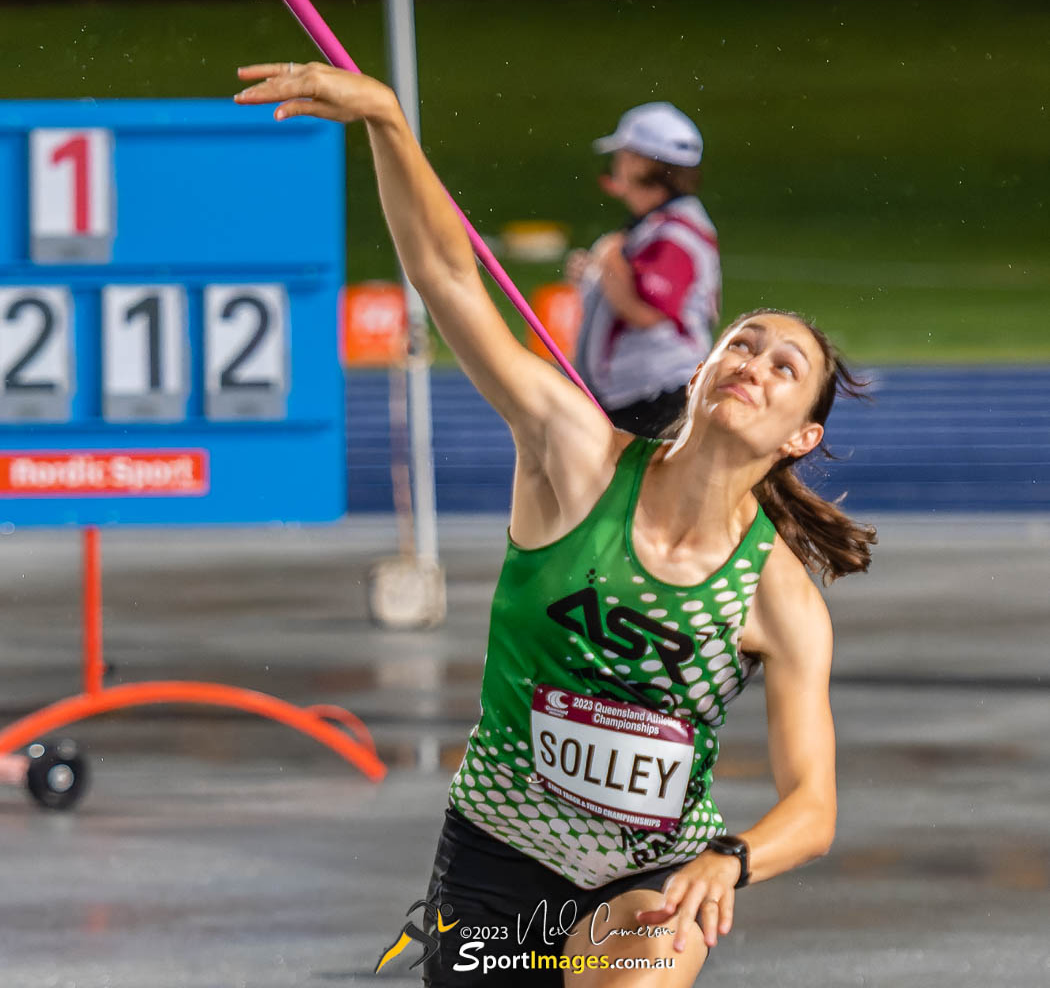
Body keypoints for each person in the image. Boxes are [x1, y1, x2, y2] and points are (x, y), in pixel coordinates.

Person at [234, 61, 877, 988]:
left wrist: (730, 860)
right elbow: (450, 280)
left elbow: (812, 807)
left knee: (649, 953)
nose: (755, 364)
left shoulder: (777, 595)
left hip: (647, 876)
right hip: (497, 857)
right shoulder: (576, 460)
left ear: (801, 436)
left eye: (785, 368)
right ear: (697, 370)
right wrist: (384, 117)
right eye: (743, 344)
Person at [570, 103, 721, 440]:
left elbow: (648, 312)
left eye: (623, 155)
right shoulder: (655, 227)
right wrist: (594, 279)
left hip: (656, 397)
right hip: (640, 395)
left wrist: (608, 262)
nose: (616, 164)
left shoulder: (676, 233)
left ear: (643, 162)